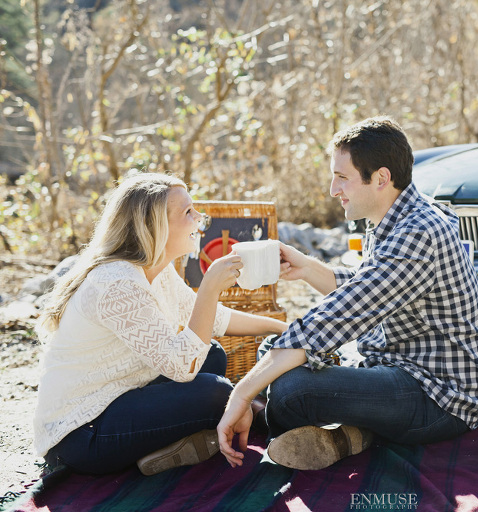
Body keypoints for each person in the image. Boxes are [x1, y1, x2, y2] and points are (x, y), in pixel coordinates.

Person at [217, 116, 478, 471]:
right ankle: (340, 433)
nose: (334, 189)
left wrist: (242, 391)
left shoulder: (419, 232)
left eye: (342, 177)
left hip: (440, 397)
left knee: (292, 388)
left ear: (381, 178)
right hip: (394, 366)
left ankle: (275, 420)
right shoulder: (392, 216)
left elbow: (337, 318)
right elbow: (369, 288)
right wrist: (308, 269)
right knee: (272, 356)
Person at [33, 172, 288, 476]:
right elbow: (182, 367)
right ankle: (257, 414)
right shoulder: (117, 284)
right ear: (155, 226)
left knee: (214, 354)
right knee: (216, 393)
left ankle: (173, 445)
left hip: (122, 395)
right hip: (81, 432)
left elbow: (215, 319)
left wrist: (282, 328)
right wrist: (209, 287)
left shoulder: (156, 269)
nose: (200, 218)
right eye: (188, 212)